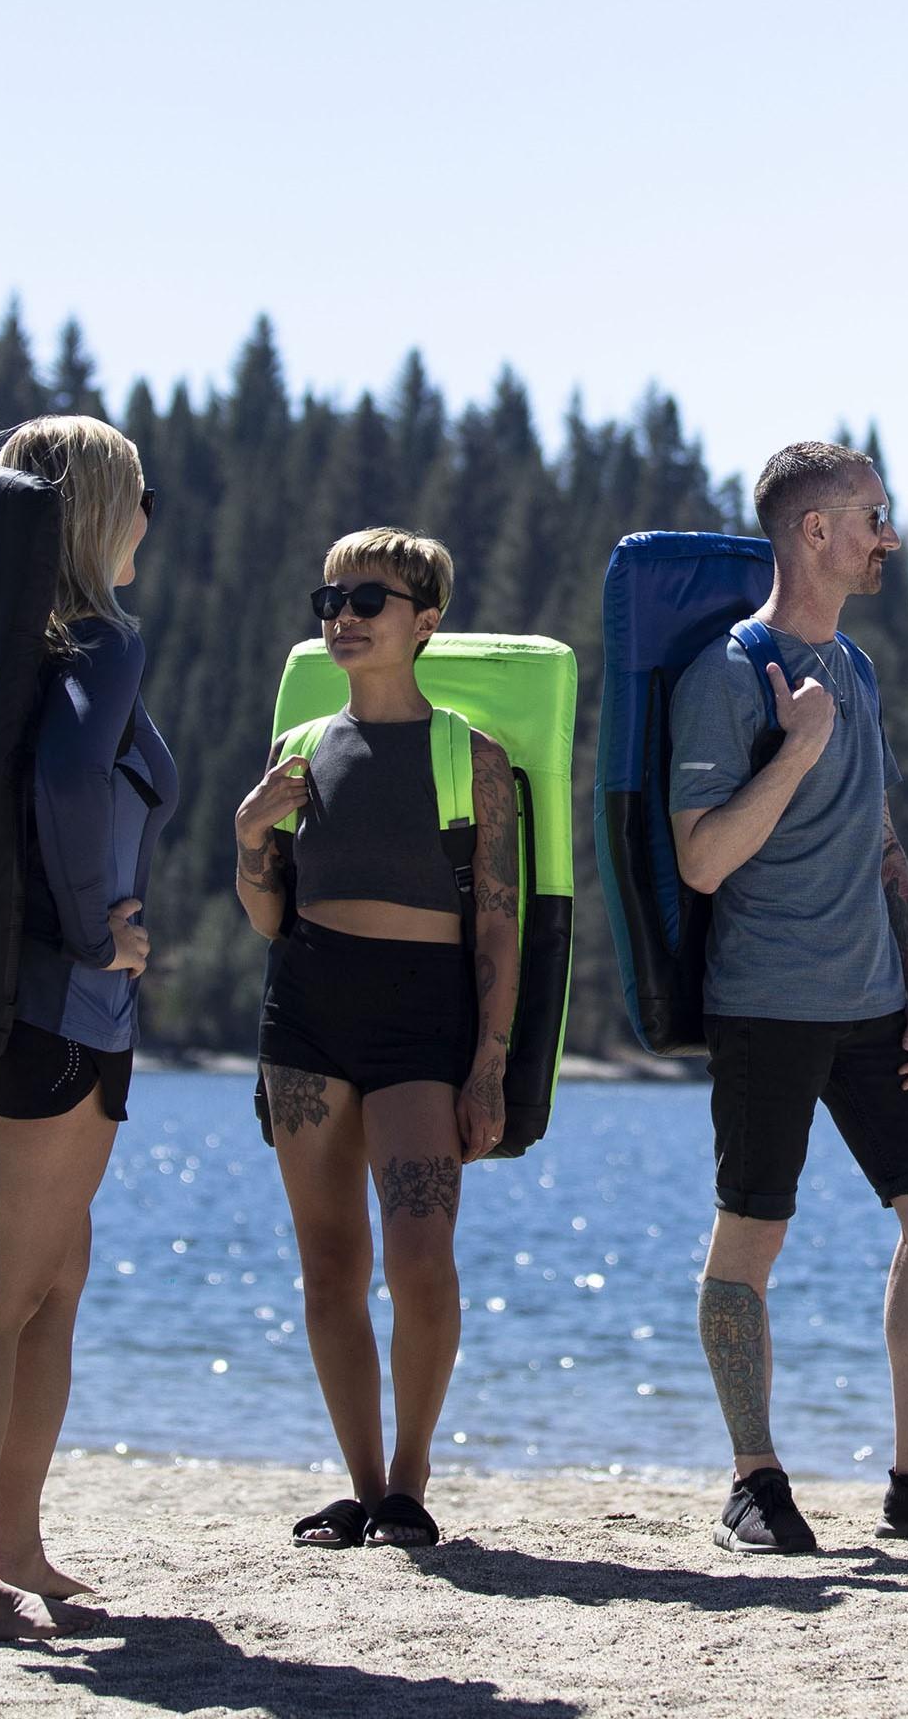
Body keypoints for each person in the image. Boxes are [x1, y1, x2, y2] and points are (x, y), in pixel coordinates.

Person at [670, 441, 908, 1553]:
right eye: (872, 516)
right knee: (753, 1234)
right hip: (766, 1002)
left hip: (874, 1003)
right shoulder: (728, 675)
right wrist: (792, 755)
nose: (888, 535)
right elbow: (702, 859)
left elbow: (880, 836)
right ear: (813, 533)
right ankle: (755, 1479)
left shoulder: (859, 670)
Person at [0, 416, 176, 1637]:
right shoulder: (97, 641)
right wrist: (92, 935)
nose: (149, 521)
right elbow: (73, 787)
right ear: (96, 513)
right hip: (57, 1007)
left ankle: (12, 1546)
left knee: (40, 1275)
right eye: (139, 497)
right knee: (4, 1288)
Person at [233, 527, 518, 1552]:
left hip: (421, 1021)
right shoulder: (298, 751)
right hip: (305, 1011)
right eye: (330, 599)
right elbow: (267, 917)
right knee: (328, 1264)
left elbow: (496, 920)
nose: (342, 615)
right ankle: (359, 1485)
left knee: (422, 1260)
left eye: (369, 598)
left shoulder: (472, 760)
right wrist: (249, 834)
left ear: (424, 621)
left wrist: (489, 1067)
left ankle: (409, 1480)